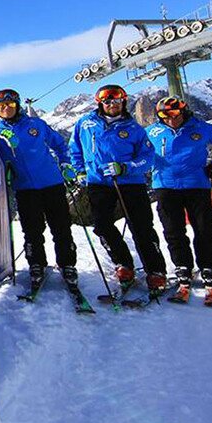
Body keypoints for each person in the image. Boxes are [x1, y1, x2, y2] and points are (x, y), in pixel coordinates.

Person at [0, 88, 79, 296]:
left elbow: (60, 144)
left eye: (10, 105)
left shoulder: (36, 125)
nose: (6, 108)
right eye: (1, 106)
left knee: (61, 228)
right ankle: (36, 264)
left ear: (17, 106)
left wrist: (66, 165)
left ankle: (68, 265)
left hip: (52, 184)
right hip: (25, 189)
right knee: (32, 231)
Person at [69, 84, 166, 293]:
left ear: (123, 102)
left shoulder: (134, 129)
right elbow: (75, 149)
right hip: (98, 183)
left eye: (116, 101)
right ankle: (123, 263)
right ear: (100, 103)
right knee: (102, 225)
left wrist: (126, 168)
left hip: (130, 183)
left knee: (141, 227)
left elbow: (147, 159)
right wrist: (80, 171)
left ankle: (156, 270)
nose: (112, 105)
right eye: (107, 101)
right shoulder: (85, 123)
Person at [146, 96, 212, 306]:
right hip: (165, 186)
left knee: (205, 228)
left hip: (197, 184)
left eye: (175, 114)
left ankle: (208, 268)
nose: (171, 119)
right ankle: (183, 268)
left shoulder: (202, 128)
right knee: (173, 231)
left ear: (184, 111)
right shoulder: (152, 132)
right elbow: (138, 150)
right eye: (165, 116)